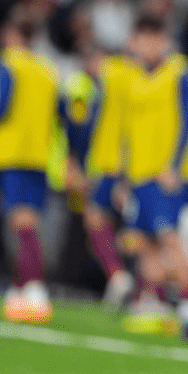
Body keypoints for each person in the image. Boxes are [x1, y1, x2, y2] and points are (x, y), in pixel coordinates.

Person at [121, 17, 188, 339]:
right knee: (145, 243)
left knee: (169, 239)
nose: (138, 47)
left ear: (158, 39)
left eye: (143, 40)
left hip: (166, 175)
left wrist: (175, 166)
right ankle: (153, 303)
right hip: (140, 174)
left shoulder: (179, 72)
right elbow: (131, 131)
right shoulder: (137, 77)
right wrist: (125, 178)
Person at [0, 21, 60, 324]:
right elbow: (60, 113)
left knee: (21, 225)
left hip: (13, 153)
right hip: (40, 155)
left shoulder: (8, 66)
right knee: (27, 224)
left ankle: (36, 287)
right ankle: (17, 289)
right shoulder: (48, 70)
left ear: (15, 36)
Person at [60, 45, 137, 309]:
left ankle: (121, 278)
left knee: (97, 221)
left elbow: (79, 128)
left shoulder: (102, 85)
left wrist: (76, 164)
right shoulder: (127, 84)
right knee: (107, 227)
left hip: (108, 165)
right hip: (119, 166)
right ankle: (123, 281)